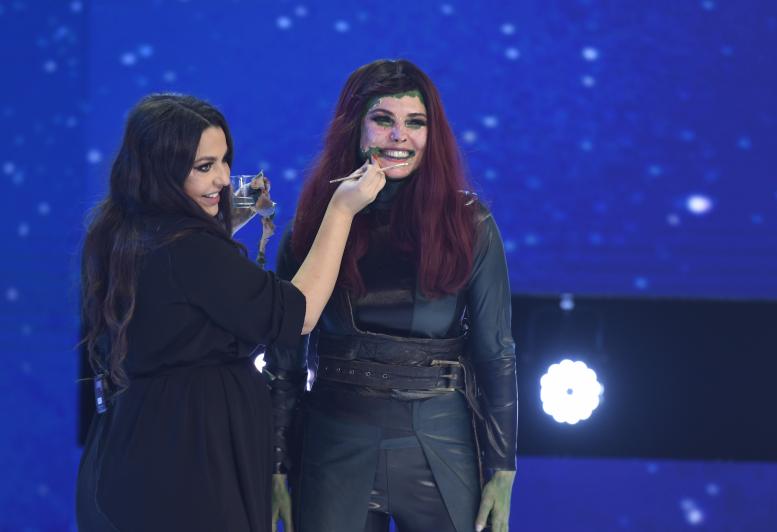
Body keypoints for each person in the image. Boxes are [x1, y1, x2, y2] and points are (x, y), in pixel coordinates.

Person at [75, 93, 385, 531]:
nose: (223, 178)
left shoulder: (121, 231)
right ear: (162, 170)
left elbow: (187, 279)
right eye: (205, 167)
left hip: (134, 454)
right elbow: (299, 314)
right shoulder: (191, 251)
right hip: (190, 467)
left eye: (224, 161)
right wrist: (342, 209)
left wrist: (227, 210)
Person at [268, 59, 518, 532]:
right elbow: (284, 359)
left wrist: (503, 468)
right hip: (334, 441)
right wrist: (276, 464)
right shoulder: (314, 226)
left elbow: (496, 352)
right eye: (383, 120)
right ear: (355, 128)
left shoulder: (470, 224)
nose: (399, 136)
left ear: (432, 133)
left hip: (440, 440)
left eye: (415, 123)